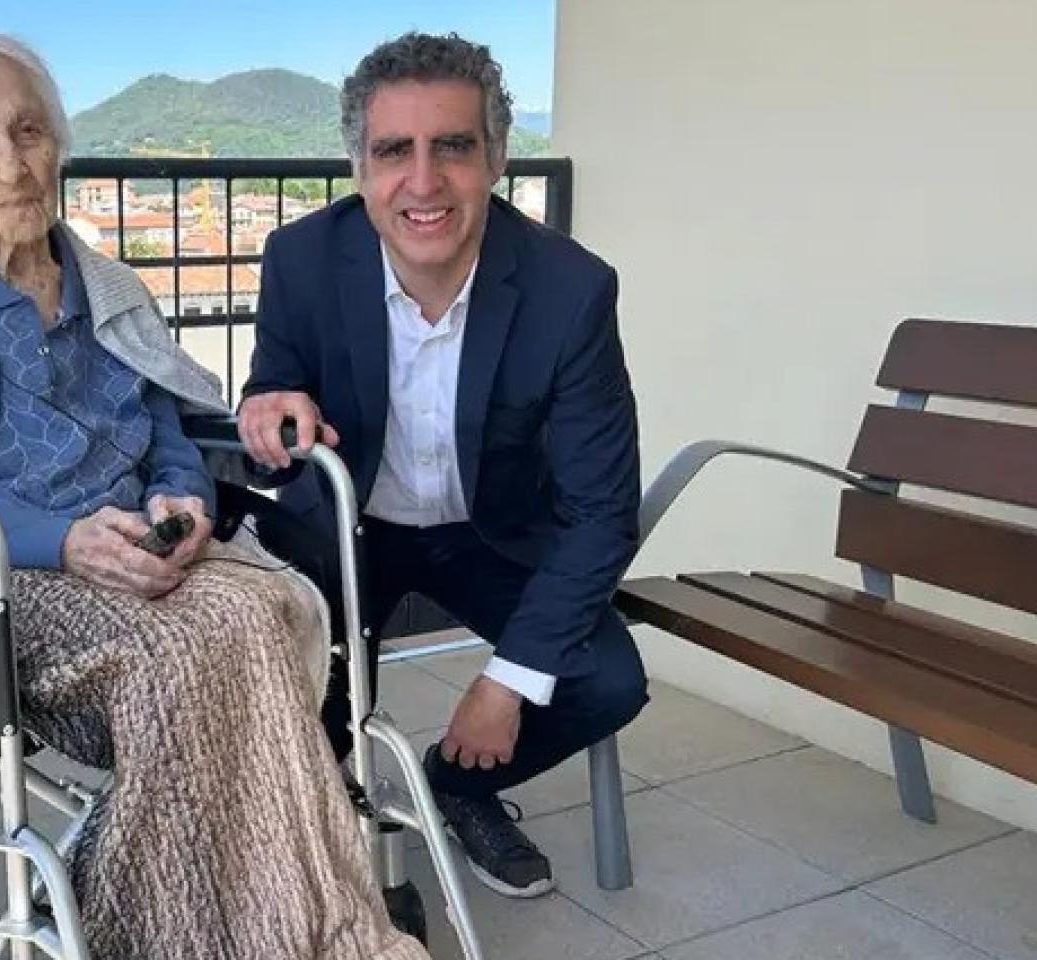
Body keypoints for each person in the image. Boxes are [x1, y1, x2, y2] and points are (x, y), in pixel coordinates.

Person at [0, 31, 428, 960]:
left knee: (269, 604)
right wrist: (61, 540)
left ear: (59, 143)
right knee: (180, 654)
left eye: (29, 130)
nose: (10, 163)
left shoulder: (101, 287)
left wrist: (182, 500)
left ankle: (300, 927)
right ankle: (176, 930)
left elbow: (165, 420)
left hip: (142, 549)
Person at [238, 31, 650, 900]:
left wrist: (505, 681)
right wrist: (269, 406)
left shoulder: (570, 290)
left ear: (496, 158)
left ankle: (455, 785)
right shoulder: (303, 260)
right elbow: (274, 382)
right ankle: (322, 836)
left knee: (604, 679)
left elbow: (603, 508)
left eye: (452, 147)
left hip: (488, 536)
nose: (422, 183)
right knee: (291, 711)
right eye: (394, 150)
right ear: (359, 164)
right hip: (348, 533)